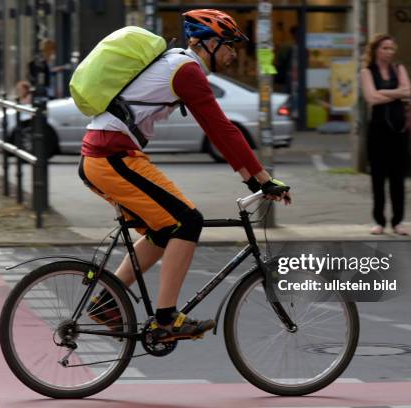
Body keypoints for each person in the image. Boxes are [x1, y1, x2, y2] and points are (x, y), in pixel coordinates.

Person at [78, 9, 291, 342]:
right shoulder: (186, 70)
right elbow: (222, 129)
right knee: (188, 221)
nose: (233, 53)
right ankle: (166, 320)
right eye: (229, 45)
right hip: (111, 156)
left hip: (109, 155)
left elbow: (218, 131)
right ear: (206, 43)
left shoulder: (179, 65)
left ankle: (106, 301)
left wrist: (253, 178)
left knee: (166, 229)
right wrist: (263, 179)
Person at [360, 34, 411, 236]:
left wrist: (384, 92)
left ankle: (398, 221)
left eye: (392, 48)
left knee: (398, 177)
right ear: (376, 50)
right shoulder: (367, 72)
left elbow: (408, 91)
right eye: (385, 48)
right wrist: (395, 93)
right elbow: (371, 97)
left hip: (399, 130)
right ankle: (379, 221)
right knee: (378, 177)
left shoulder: (399, 69)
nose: (389, 52)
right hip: (378, 131)